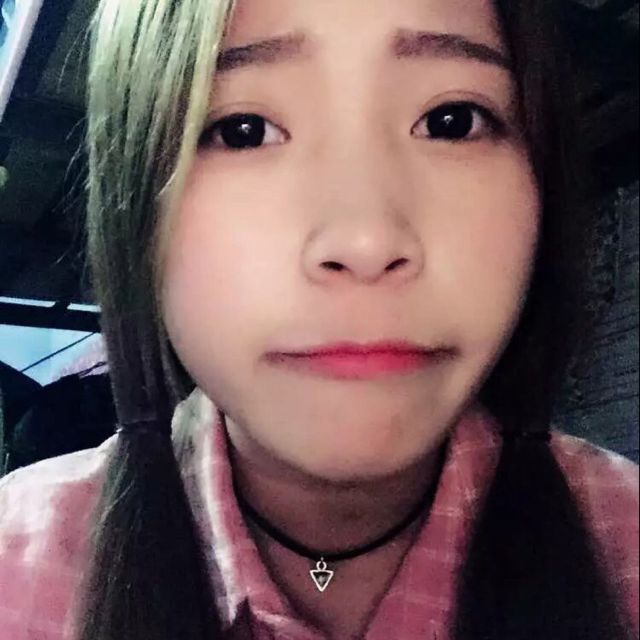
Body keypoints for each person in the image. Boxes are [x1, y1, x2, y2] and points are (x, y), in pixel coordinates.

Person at [0, 1, 637, 639]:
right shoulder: (18, 573)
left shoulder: (623, 538)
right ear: (134, 206)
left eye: (451, 121)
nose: (367, 241)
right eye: (243, 130)